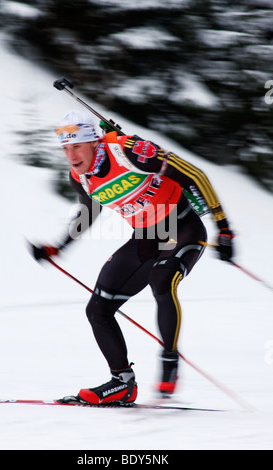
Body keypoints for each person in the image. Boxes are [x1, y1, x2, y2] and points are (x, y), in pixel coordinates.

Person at [31, 109, 234, 406]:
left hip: (183, 225)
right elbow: (90, 211)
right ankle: (122, 383)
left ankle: (169, 359)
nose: (71, 156)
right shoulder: (80, 177)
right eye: (65, 148)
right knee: (97, 309)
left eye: (77, 146)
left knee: (161, 281)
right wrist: (58, 248)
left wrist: (225, 230)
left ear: (94, 143)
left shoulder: (128, 152)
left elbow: (195, 175)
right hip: (146, 238)